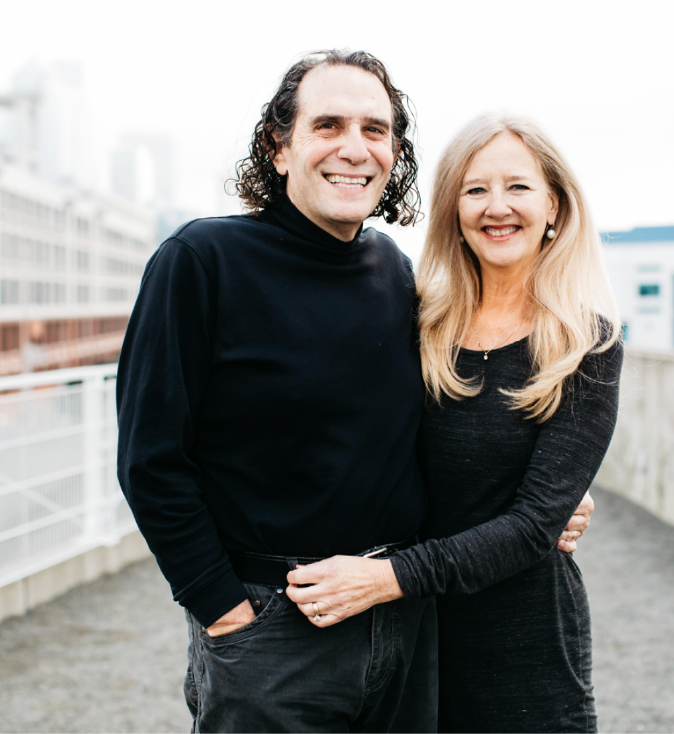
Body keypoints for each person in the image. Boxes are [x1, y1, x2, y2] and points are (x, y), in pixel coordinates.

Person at [117, 49, 592, 734]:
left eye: (375, 129)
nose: (354, 148)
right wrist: (224, 610)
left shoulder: (393, 272)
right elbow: (151, 458)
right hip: (277, 625)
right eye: (328, 124)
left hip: (405, 620)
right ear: (279, 148)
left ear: (394, 153)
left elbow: (425, 427)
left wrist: (546, 492)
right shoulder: (201, 262)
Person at [286, 113, 623, 733]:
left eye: (518, 187)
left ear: (554, 205)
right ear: (454, 212)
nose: (497, 207)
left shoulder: (586, 344)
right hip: (399, 640)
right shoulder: (416, 321)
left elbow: (529, 528)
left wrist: (386, 578)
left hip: (524, 650)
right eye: (475, 190)